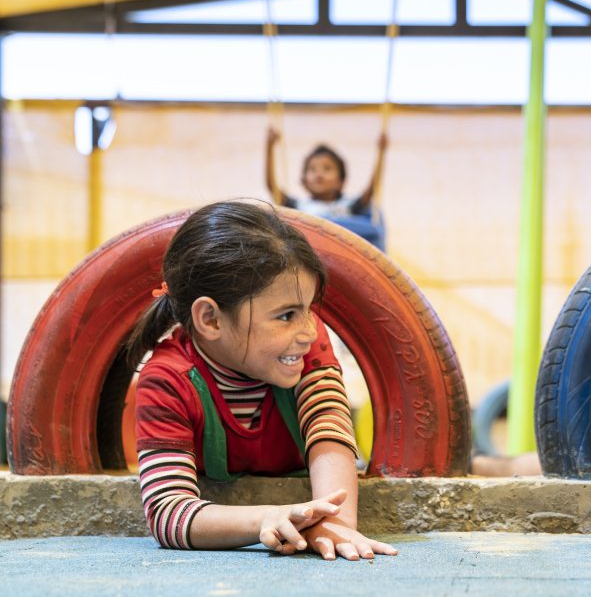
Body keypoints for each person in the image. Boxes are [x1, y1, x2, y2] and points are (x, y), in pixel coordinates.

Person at [127, 200, 397, 561]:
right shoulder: (168, 381)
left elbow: (328, 427)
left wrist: (335, 522)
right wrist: (267, 517)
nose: (308, 330)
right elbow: (168, 513)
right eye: (286, 315)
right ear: (210, 319)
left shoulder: (306, 350)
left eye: (308, 310)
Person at [265, 128, 388, 251]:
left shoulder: (347, 206)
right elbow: (272, 186)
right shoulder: (300, 206)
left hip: (342, 254)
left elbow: (371, 190)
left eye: (327, 169)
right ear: (304, 182)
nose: (319, 174)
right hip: (313, 252)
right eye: (312, 170)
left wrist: (381, 152)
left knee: (373, 225)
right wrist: (270, 147)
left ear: (341, 181)